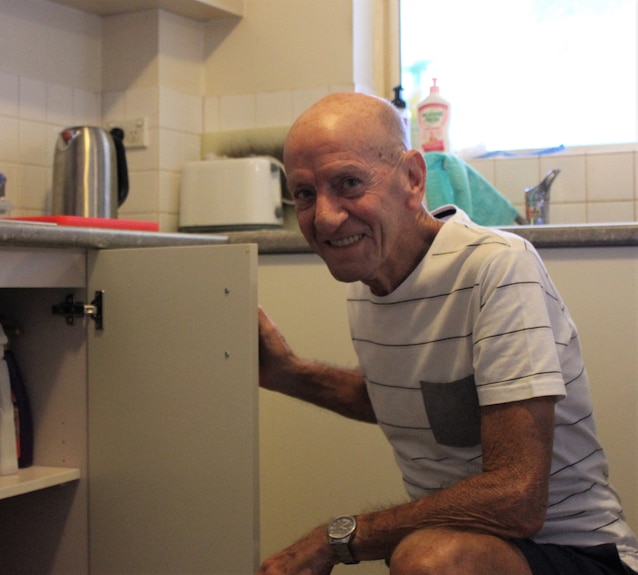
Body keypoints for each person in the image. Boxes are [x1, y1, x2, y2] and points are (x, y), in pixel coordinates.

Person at [257, 92, 638, 575]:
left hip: (583, 555)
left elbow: (516, 498)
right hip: (475, 550)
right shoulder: (371, 277)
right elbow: (420, 399)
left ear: (413, 179)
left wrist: (335, 539)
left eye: (349, 183)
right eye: (306, 194)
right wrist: (287, 373)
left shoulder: (495, 267)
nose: (326, 217)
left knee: (429, 559)